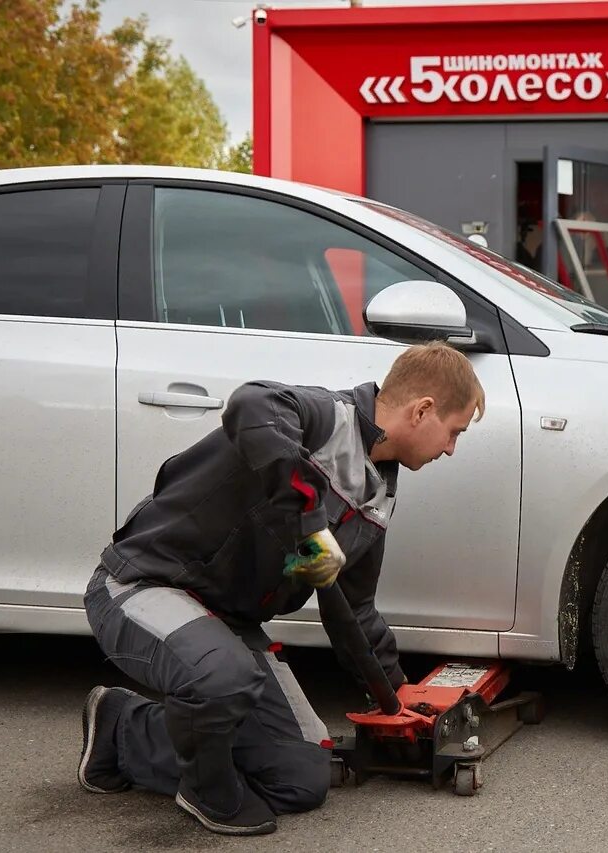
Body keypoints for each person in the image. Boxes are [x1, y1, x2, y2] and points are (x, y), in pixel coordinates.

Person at [77, 341, 484, 836]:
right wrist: (311, 518)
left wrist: (395, 693)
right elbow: (250, 403)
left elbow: (352, 608)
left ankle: (120, 728)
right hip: (145, 584)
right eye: (454, 431)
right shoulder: (321, 416)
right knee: (223, 678)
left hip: (227, 622)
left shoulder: (377, 494)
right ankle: (206, 790)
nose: (450, 448)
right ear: (423, 410)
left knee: (301, 776)